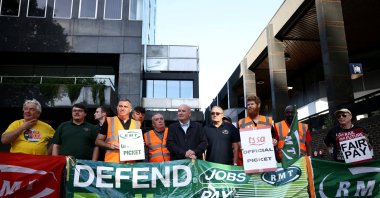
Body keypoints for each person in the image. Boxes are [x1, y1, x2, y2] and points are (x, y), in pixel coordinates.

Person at [237, 95, 278, 166]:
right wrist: (240, 145)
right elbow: (238, 140)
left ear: (258, 105)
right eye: (248, 105)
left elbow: (274, 136)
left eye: (252, 104)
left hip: (265, 159)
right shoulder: (241, 122)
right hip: (249, 161)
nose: (249, 106)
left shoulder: (268, 120)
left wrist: (274, 141)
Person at [95, 98, 141, 163]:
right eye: (120, 106)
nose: (122, 108)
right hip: (112, 162)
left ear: (130, 110)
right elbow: (98, 141)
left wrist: (140, 144)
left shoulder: (137, 124)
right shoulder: (109, 121)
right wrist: (110, 146)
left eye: (125, 106)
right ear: (117, 108)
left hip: (130, 164)